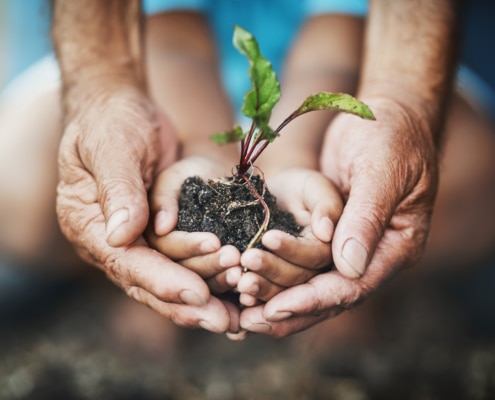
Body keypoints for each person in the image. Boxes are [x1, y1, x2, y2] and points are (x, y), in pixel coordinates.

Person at [2, 0, 495, 341]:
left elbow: (335, 44)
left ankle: (367, 290)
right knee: (23, 183)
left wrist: (293, 157)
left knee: (463, 181)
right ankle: (126, 281)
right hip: (160, 90)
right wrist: (196, 146)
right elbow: (171, 41)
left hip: (340, 101)